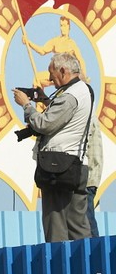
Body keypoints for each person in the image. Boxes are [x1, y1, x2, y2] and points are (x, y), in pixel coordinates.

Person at [13, 52, 94, 242]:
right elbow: (64, 117)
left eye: (52, 74)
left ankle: (59, 270)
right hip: (76, 164)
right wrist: (43, 100)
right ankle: (86, 268)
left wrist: (26, 105)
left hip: (58, 167)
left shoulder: (70, 95)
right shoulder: (83, 91)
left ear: (64, 70)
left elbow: (45, 124)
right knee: (77, 225)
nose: (49, 79)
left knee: (55, 223)